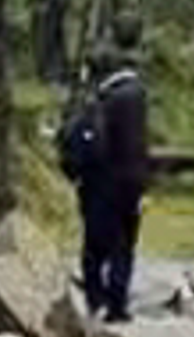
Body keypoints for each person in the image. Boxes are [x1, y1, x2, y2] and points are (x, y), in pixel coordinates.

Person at [56, 37, 152, 322]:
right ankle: (118, 305)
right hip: (132, 183)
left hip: (102, 185)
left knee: (94, 249)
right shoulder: (138, 95)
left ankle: (96, 300)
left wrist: (77, 170)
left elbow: (91, 145)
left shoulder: (103, 101)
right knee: (124, 246)